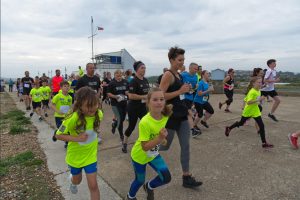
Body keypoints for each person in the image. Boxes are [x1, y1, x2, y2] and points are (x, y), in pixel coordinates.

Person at [159, 46, 202, 188]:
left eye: (183, 59)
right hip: (171, 117)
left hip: (182, 115)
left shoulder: (179, 75)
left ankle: (186, 177)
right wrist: (179, 91)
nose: (182, 62)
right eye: (179, 60)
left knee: (186, 146)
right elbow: (160, 95)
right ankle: (144, 152)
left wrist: (188, 108)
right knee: (164, 146)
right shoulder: (168, 75)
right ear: (171, 60)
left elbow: (181, 96)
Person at [55, 87, 103, 200]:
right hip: (75, 157)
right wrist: (78, 138)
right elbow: (58, 135)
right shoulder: (72, 118)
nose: (92, 109)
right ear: (80, 105)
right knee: (77, 180)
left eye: (94, 104)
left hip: (90, 157)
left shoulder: (99, 114)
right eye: (88, 105)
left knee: (93, 185)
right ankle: (73, 181)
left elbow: (94, 129)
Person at [127, 88, 172, 200]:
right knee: (139, 180)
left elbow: (159, 132)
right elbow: (144, 147)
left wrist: (162, 139)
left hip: (153, 154)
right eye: (155, 99)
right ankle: (130, 197)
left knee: (166, 177)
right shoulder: (145, 122)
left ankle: (149, 186)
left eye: (161, 99)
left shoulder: (165, 116)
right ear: (148, 102)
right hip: (139, 156)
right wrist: (160, 138)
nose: (159, 102)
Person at [225, 76, 274, 148]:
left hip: (255, 110)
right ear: (254, 83)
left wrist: (265, 85)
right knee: (241, 123)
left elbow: (248, 98)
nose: (260, 84)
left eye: (261, 82)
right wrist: (259, 99)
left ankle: (264, 143)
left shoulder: (258, 90)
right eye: (258, 82)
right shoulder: (252, 91)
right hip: (248, 111)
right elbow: (248, 102)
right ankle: (229, 128)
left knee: (262, 126)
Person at [122, 61, 150, 153]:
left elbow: (148, 93)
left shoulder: (145, 80)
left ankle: (145, 144)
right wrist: (143, 97)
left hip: (143, 108)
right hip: (133, 108)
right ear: (137, 69)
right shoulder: (133, 81)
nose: (144, 69)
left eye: (145, 68)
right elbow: (131, 96)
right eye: (142, 68)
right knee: (131, 127)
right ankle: (125, 143)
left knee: (146, 125)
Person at [107, 70, 129, 142]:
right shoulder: (112, 83)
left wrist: (127, 92)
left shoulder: (125, 82)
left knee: (122, 119)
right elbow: (108, 93)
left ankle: (114, 124)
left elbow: (128, 90)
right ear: (114, 75)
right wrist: (115, 96)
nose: (119, 77)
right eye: (117, 76)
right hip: (115, 105)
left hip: (124, 103)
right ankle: (121, 135)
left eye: (120, 76)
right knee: (120, 120)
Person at [180, 63, 201, 136]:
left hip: (190, 97)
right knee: (189, 113)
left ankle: (192, 130)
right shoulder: (183, 75)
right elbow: (177, 83)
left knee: (187, 113)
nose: (196, 70)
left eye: (197, 69)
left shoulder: (196, 77)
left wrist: (195, 87)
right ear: (190, 68)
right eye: (195, 69)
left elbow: (194, 89)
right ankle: (193, 129)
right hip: (182, 97)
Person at [51, 81, 72, 148]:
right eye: (65, 86)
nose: (67, 87)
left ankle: (66, 142)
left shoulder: (70, 97)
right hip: (59, 116)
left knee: (66, 130)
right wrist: (58, 111)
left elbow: (70, 106)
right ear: (61, 88)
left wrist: (71, 112)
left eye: (68, 86)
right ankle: (56, 133)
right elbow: (52, 105)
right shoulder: (58, 96)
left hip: (67, 117)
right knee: (62, 129)